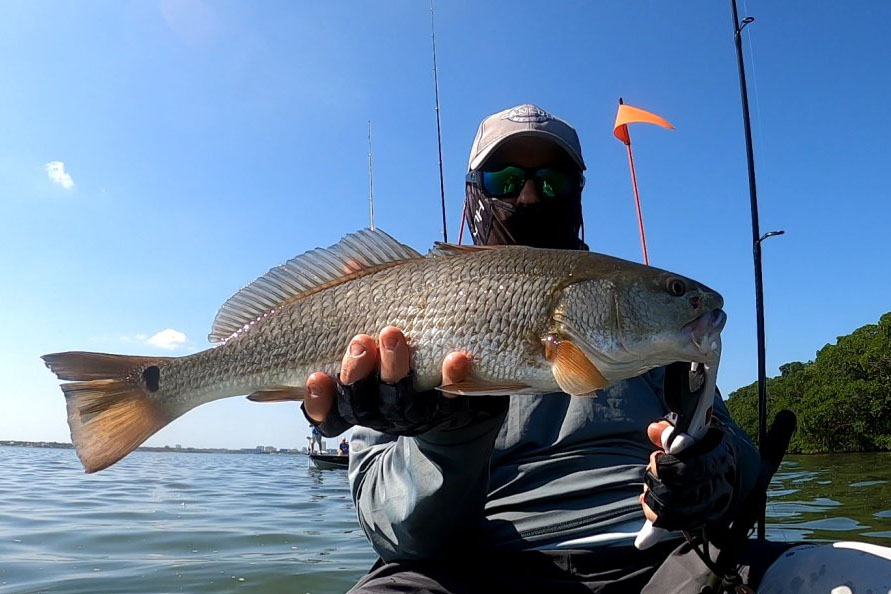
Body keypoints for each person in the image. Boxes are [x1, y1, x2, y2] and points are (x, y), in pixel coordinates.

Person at [300, 105, 887, 592]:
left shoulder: (655, 340)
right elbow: (398, 536)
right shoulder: (394, 323)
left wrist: (715, 467)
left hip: (658, 561)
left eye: (553, 182)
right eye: (506, 181)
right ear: (474, 197)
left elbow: (740, 461)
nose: (530, 198)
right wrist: (447, 441)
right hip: (464, 570)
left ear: (579, 196)